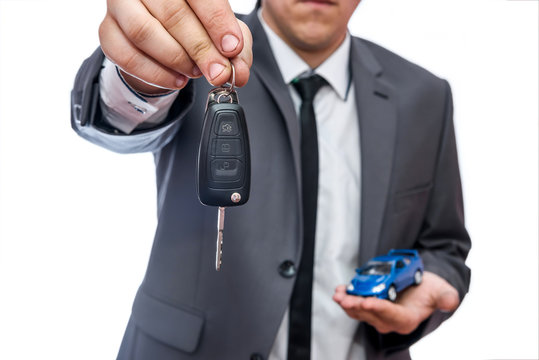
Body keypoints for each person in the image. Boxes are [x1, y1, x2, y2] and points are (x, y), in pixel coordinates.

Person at [71, 0, 471, 359]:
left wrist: (432, 287)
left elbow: (444, 246)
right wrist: (139, 75)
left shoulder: (424, 95)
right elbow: (117, 116)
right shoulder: (193, 51)